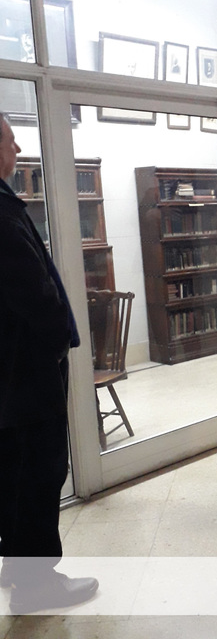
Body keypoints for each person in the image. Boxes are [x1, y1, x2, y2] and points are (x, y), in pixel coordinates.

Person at [0, 112, 99, 613]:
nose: (17, 152)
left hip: (11, 374)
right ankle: (37, 587)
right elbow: (31, 293)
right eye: (11, 142)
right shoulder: (0, 212)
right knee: (38, 474)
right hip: (24, 373)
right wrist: (60, 335)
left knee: (15, 474)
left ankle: (19, 571)